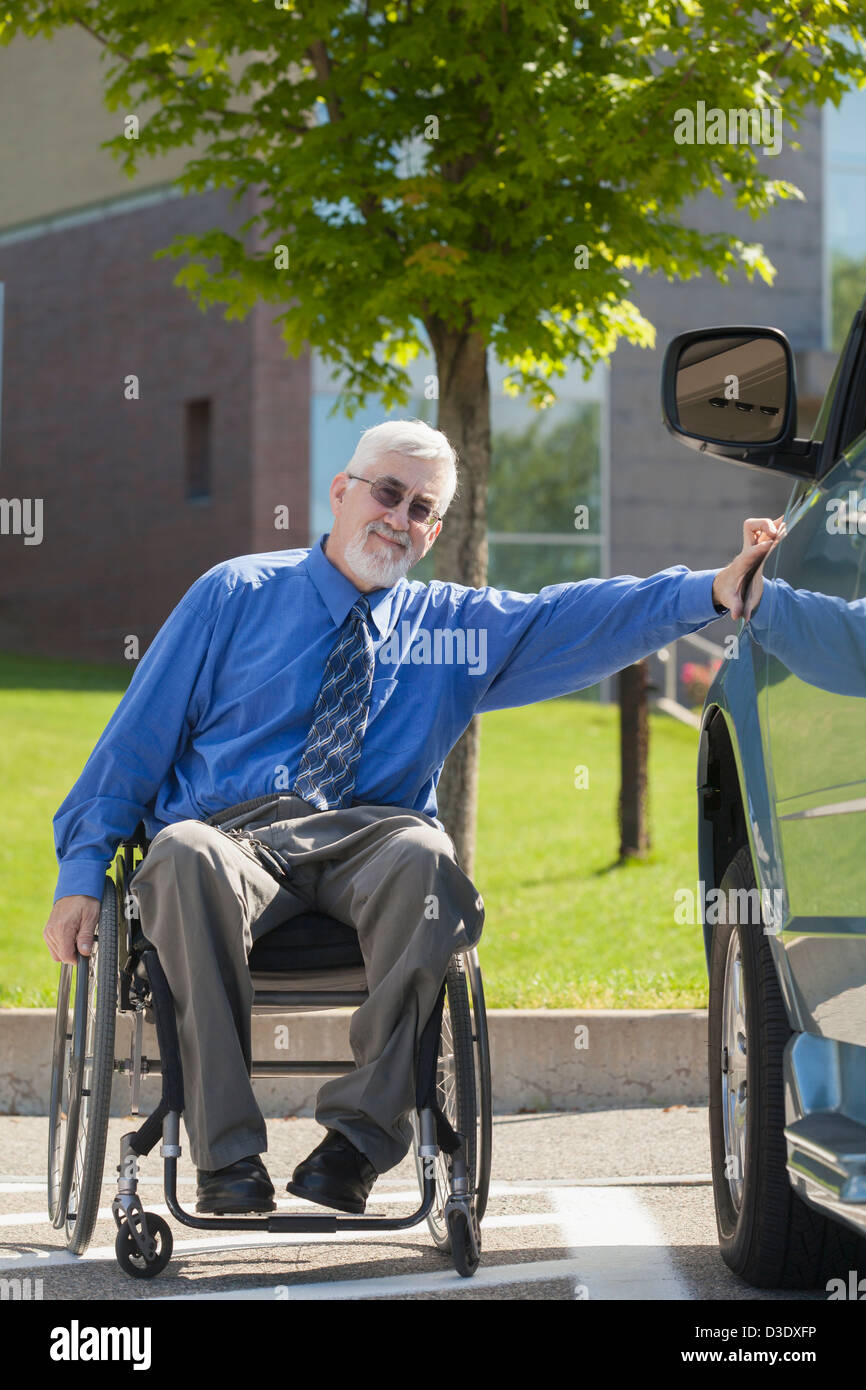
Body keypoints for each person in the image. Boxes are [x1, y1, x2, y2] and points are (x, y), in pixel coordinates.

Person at [43, 417, 783, 1217]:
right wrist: (84, 872)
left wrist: (712, 588)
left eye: (423, 508)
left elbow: (576, 614)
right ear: (340, 492)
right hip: (234, 840)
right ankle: (225, 1155)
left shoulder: (451, 627)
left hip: (373, 843)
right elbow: (134, 745)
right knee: (181, 850)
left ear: (434, 531)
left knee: (428, 854)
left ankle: (358, 1142)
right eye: (387, 493)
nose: (400, 517)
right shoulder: (233, 594)